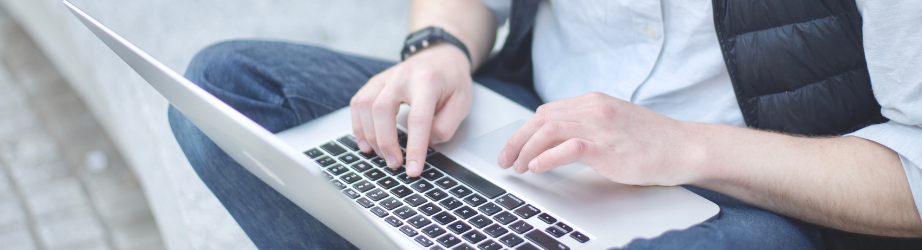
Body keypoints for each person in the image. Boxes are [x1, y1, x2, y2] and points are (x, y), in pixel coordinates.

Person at [168, 0, 922, 249]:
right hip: (521, 128)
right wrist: (438, 49)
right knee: (229, 94)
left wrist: (684, 146)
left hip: (735, 196)